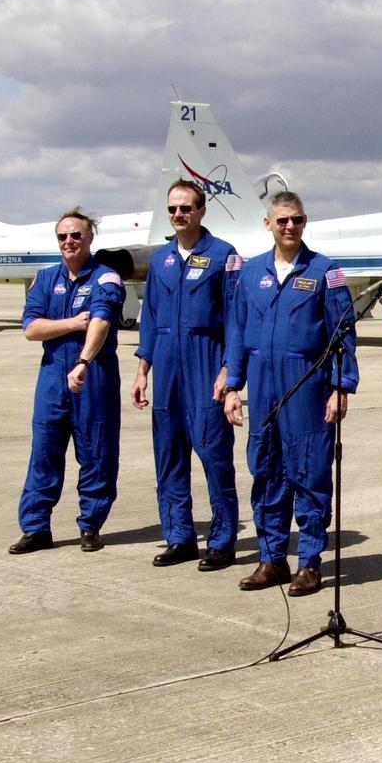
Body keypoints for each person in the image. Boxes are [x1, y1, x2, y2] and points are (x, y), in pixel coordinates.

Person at [223, 191, 357, 595]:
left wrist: (340, 387)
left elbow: (342, 335)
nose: (289, 227)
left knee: (309, 472)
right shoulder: (250, 274)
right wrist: (233, 386)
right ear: (268, 224)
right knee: (266, 472)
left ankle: (310, 563)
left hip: (307, 385)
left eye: (296, 220)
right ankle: (272, 559)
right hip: (263, 386)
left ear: (304, 222)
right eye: (282, 220)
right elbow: (237, 331)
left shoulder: (325, 273)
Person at [131, 179, 242, 571]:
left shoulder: (223, 256)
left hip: (205, 362)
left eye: (186, 208)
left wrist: (229, 370)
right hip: (167, 367)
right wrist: (143, 369)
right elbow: (152, 320)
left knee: (213, 454)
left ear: (202, 210)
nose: (179, 215)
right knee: (169, 456)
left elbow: (235, 320)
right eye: (173, 209)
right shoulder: (161, 260)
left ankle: (223, 541)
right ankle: (178, 537)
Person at [11, 208, 125, 554]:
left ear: (90, 238)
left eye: (76, 235)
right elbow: (31, 328)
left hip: (94, 377)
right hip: (51, 378)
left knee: (96, 452)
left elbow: (101, 323)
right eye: (63, 236)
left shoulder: (106, 279)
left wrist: (83, 361)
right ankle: (35, 528)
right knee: (44, 451)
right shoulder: (45, 279)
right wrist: (74, 323)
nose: (69, 242)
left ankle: (90, 526)